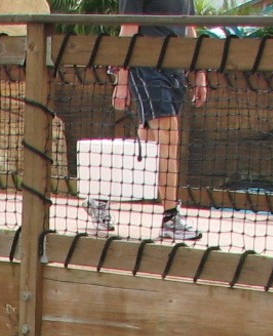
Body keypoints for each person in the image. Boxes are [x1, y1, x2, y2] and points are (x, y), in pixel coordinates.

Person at [88, 0, 208, 242]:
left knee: (149, 148)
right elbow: (128, 31)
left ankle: (99, 198)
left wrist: (200, 73)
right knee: (168, 140)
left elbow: (190, 30)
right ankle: (170, 217)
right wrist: (121, 81)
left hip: (175, 72)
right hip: (147, 69)